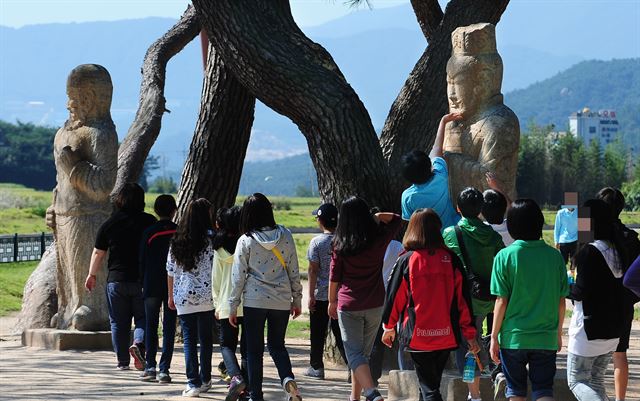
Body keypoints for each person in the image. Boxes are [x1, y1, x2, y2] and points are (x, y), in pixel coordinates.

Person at [381, 208, 480, 401]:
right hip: (446, 334)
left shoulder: (406, 260)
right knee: (429, 383)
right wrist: (469, 334)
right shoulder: (451, 259)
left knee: (429, 389)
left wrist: (389, 326)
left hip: (418, 335)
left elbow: (395, 298)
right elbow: (463, 301)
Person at [490, 199, 568, 401]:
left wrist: (493, 337)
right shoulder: (555, 257)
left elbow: (501, 301)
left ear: (512, 226)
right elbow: (561, 302)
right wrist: (558, 334)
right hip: (545, 336)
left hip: (513, 337)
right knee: (543, 389)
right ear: (539, 223)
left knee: (515, 391)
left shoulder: (504, 256)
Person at [229, 193, 303, 401]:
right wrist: (296, 299)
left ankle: (256, 395)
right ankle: (287, 378)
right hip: (281, 300)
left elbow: (238, 277)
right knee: (277, 345)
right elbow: (294, 270)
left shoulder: (246, 240)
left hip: (254, 301)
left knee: (253, 351)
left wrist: (233, 305)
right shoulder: (286, 235)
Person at [329, 196, 402, 401]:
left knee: (354, 354)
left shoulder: (339, 244)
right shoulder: (378, 239)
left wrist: (332, 301)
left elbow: (334, 277)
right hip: (375, 303)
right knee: (362, 355)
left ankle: (371, 393)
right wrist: (376, 216)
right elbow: (397, 219)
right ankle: (355, 397)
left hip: (349, 304)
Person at [85, 182, 156, 370]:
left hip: (116, 281)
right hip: (142, 281)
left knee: (118, 322)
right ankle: (139, 343)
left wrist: (91, 274)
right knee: (143, 319)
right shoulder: (149, 222)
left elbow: (98, 252)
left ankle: (122, 362)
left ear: (119, 200)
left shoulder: (110, 224)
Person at [443, 187, 504, 401]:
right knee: (484, 339)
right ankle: (494, 375)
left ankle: (475, 394)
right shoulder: (494, 236)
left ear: (457, 208)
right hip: (488, 299)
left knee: (468, 348)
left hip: (463, 303)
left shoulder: (450, 234)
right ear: (481, 209)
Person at [567, 199, 626, 401]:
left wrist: (564, 288)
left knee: (576, 381)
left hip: (588, 331)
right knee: (596, 381)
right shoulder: (616, 249)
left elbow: (579, 292)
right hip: (613, 330)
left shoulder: (590, 252)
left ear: (590, 222)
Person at [166, 198, 216, 397]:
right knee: (205, 340)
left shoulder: (177, 240)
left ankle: (192, 382)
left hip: (184, 296)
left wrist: (170, 296)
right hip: (207, 297)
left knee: (189, 340)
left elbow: (171, 271)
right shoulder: (212, 241)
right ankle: (205, 379)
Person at [595, 187, 640, 401]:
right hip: (623, 303)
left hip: (595, 304)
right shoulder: (631, 237)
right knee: (619, 354)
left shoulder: (591, 234)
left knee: (590, 359)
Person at [304, 203, 348, 380]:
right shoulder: (344, 240)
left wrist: (311, 295)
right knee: (342, 334)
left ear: (320, 221)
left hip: (321, 295)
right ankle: (353, 367)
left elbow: (313, 270)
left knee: (317, 332)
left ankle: (316, 367)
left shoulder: (317, 242)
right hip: (342, 295)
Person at [139, 194, 178, 383]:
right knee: (169, 327)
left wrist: (142, 283)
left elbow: (142, 260)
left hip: (151, 284)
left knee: (151, 325)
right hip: (173, 286)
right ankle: (165, 369)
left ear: (155, 211)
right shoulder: (179, 232)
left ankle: (150, 366)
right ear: (174, 211)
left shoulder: (148, 232)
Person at [401, 113, 462, 230]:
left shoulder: (408, 197)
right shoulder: (440, 175)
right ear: (430, 166)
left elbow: (411, 224)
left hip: (432, 241)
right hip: (455, 232)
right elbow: (436, 149)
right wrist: (443, 122)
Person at [212, 206, 248, 401]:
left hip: (226, 304)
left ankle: (235, 377)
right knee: (248, 348)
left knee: (227, 345)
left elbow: (215, 281)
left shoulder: (218, 249)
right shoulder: (248, 244)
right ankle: (247, 388)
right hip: (249, 303)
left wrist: (217, 305)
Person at [483, 173, 514, 247]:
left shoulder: (480, 229)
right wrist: (497, 188)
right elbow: (513, 209)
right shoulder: (512, 227)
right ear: (504, 208)